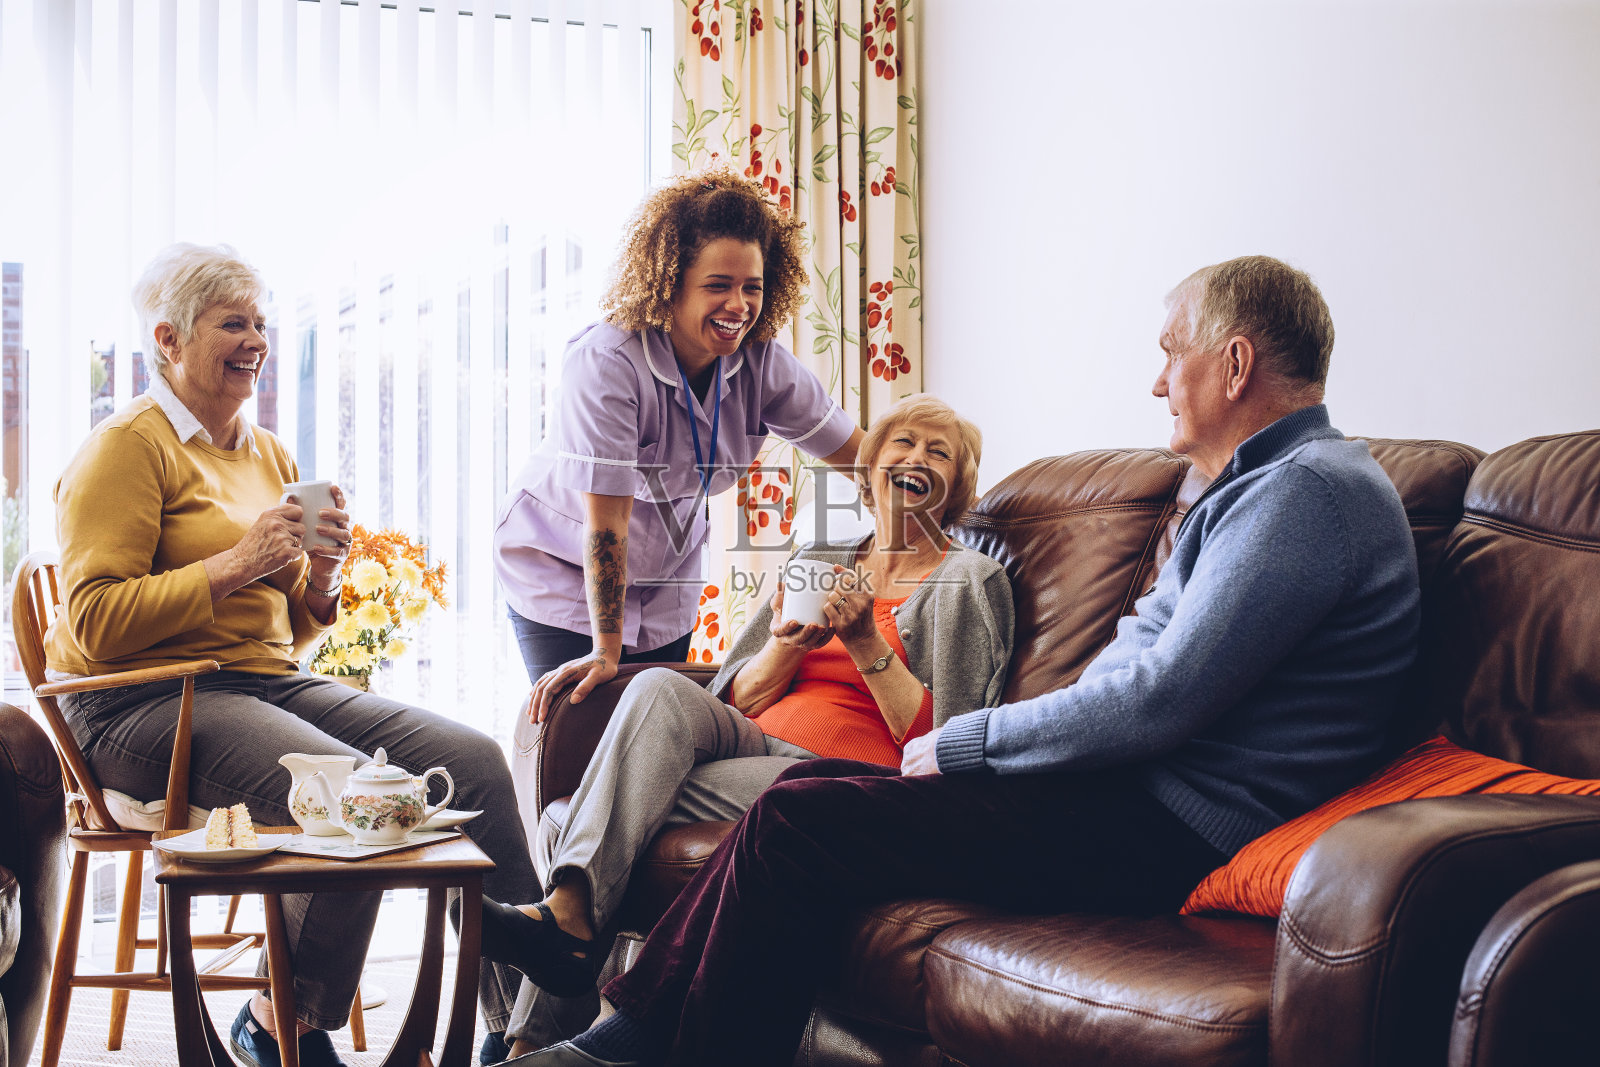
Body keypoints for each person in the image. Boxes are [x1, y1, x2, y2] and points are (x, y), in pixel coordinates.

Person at [504, 255, 1425, 1066]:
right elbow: (1133, 683)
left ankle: (627, 1043)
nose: (1157, 383)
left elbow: (1157, 698)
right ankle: (624, 1036)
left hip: (1164, 822)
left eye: (1170, 353)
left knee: (800, 819)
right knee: (796, 797)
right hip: (1123, 794)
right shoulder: (1253, 489)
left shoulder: (1307, 491)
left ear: (1235, 363)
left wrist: (971, 740)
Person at [44, 243, 538, 1067]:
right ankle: (283, 1024)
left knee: (474, 762)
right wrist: (236, 562)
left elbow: (287, 633)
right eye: (232, 323)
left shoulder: (267, 453)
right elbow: (93, 622)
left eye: (261, 323)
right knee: (348, 792)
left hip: (261, 682)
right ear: (168, 338)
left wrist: (321, 578)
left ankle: (529, 1031)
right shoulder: (126, 447)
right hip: (135, 703)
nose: (256, 341)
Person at [487, 395, 1014, 1056]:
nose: (916, 458)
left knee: (598, 810)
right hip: (752, 742)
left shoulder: (968, 580)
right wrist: (789, 643)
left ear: (957, 486)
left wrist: (862, 641)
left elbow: (949, 745)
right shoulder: (824, 552)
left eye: (939, 452)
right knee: (655, 688)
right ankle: (558, 955)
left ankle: (527, 1035)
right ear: (870, 465)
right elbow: (735, 693)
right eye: (902, 442)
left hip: (842, 779)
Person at [491, 167, 864, 801]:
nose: (739, 305)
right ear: (668, 286)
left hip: (666, 578)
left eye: (752, 287)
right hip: (563, 569)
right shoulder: (607, 362)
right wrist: (606, 649)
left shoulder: (761, 362)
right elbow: (606, 526)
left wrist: (946, 516)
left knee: (652, 763)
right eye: (717, 286)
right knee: (583, 746)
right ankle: (554, 866)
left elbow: (861, 456)